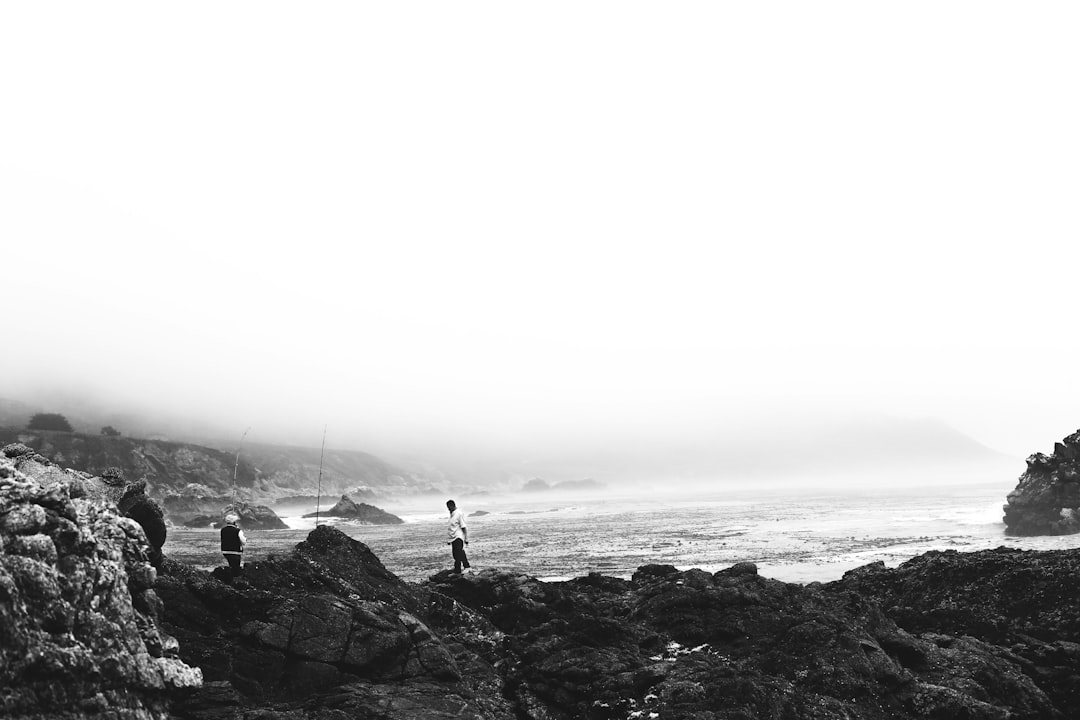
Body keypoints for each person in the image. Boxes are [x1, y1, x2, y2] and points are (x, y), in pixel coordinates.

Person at [446, 499, 471, 574]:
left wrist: (466, 538)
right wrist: (449, 539)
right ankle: (458, 569)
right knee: (455, 555)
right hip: (453, 538)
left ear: (452, 506)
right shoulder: (452, 514)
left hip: (458, 537)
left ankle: (466, 567)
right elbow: (452, 527)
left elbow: (463, 526)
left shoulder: (458, 514)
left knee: (459, 552)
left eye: (449, 507)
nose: (448, 509)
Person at [220, 512, 246, 578]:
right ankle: (235, 580)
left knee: (231, 565)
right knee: (236, 568)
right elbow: (243, 542)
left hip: (225, 551)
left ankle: (230, 578)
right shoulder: (238, 531)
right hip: (235, 552)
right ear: (234, 522)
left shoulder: (223, 530)